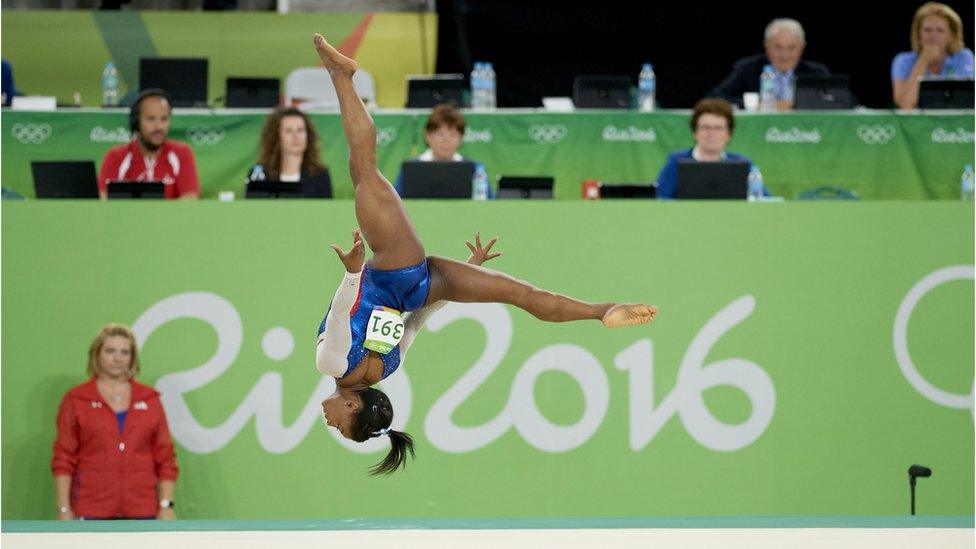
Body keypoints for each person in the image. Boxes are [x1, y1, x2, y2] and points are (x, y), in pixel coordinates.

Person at [311, 33, 658, 475]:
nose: (332, 424)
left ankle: (602, 310)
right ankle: (342, 76)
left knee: (522, 295)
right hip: (401, 271)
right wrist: (355, 274)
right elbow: (351, 310)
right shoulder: (333, 364)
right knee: (363, 169)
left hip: (421, 285)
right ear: (353, 403)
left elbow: (409, 321)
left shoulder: (381, 373)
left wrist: (454, 283)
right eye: (343, 427)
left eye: (340, 430)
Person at [51, 324, 179, 520]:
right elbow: (64, 459)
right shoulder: (76, 399)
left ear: (132, 357)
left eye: (124, 352)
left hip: (143, 511)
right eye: (110, 351)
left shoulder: (150, 399)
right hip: (91, 510)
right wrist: (63, 509)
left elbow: (165, 458)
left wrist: (166, 505)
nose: (117, 358)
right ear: (97, 354)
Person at [98, 88, 200, 200]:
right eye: (151, 119)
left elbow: (190, 197)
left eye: (164, 119)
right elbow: (103, 198)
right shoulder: (116, 156)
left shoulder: (182, 153)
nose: (159, 127)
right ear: (136, 122)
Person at [707, 18, 829, 110]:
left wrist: (796, 104)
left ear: (802, 47)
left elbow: (841, 101)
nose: (784, 55)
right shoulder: (747, 69)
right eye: (778, 47)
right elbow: (713, 98)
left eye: (791, 48)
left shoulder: (816, 72)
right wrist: (755, 105)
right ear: (766, 46)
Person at [654, 98, 764, 200]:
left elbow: (765, 200)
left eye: (718, 128)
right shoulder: (676, 161)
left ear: (729, 134)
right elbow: (659, 199)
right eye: (705, 127)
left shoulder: (743, 164)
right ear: (694, 132)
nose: (711, 133)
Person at [393, 103, 493, 198]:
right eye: (440, 134)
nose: (446, 140)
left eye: (452, 135)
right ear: (428, 136)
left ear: (461, 138)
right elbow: (396, 205)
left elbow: (489, 203)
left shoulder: (476, 169)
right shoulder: (410, 170)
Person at [892, 2, 975, 109]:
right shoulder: (902, 61)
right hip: (918, 124)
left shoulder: (964, 57)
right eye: (927, 30)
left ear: (951, 35)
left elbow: (968, 102)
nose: (933, 36)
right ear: (918, 33)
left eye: (940, 30)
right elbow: (905, 105)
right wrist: (924, 59)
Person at [248, 106, 333, 198]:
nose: (295, 136)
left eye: (300, 130)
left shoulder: (320, 175)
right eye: (289, 131)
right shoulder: (260, 174)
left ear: (308, 136)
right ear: (276, 136)